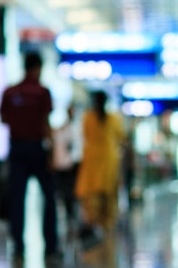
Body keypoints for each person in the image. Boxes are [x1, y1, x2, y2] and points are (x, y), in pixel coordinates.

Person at [0, 50, 60, 263]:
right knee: (49, 198)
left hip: (17, 149)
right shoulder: (43, 93)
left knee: (17, 199)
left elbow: (3, 119)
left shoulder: (10, 92)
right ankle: (51, 246)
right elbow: (46, 124)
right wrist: (52, 153)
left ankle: (18, 246)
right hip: (37, 149)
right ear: (38, 68)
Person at [74, 89, 127, 233]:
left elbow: (84, 135)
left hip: (92, 162)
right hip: (109, 161)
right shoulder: (113, 119)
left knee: (92, 196)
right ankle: (107, 226)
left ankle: (95, 225)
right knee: (108, 196)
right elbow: (122, 137)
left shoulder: (88, 118)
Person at [50, 97, 82, 237]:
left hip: (70, 166)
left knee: (70, 195)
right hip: (61, 166)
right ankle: (68, 219)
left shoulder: (76, 129)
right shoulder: (61, 129)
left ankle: (72, 219)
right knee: (61, 194)